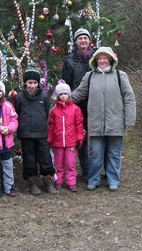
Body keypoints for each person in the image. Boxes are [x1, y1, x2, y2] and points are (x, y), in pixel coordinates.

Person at [71, 47, 136, 192]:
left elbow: (129, 97)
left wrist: (129, 119)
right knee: (95, 153)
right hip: (95, 122)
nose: (102, 60)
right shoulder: (89, 76)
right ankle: (93, 180)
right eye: (99, 58)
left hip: (116, 121)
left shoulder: (120, 76)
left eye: (105, 58)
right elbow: (78, 94)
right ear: (95, 60)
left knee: (114, 153)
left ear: (111, 60)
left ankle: (113, 180)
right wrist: (62, 99)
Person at [13, 66, 58, 196]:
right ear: (25, 83)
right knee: (29, 158)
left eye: (34, 83)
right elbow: (16, 113)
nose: (32, 86)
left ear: (38, 83)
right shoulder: (19, 97)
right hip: (26, 134)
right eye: (30, 83)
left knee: (45, 158)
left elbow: (46, 113)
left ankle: (48, 180)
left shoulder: (43, 96)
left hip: (41, 133)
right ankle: (32, 182)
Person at [61, 27, 96, 180]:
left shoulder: (97, 58)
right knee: (82, 137)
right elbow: (66, 85)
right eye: (80, 38)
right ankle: (86, 170)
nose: (83, 41)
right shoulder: (69, 61)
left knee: (96, 137)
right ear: (76, 42)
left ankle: (97, 168)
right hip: (78, 105)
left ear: (89, 41)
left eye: (85, 38)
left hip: (96, 104)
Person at [48, 80, 85, 192]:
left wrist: (79, 138)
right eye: (61, 94)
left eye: (65, 94)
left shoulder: (75, 109)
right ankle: (58, 181)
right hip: (58, 142)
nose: (63, 96)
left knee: (70, 164)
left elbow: (79, 125)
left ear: (69, 94)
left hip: (71, 142)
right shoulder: (54, 111)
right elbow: (51, 126)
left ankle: (71, 182)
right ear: (57, 96)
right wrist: (50, 139)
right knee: (58, 163)